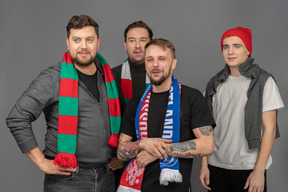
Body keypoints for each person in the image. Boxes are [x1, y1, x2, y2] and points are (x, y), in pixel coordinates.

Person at [6, 15, 123, 192]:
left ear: (98, 43)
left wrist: (120, 156)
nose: (83, 46)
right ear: (68, 43)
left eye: (89, 39)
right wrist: (41, 162)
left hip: (106, 177)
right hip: (67, 180)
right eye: (77, 40)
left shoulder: (108, 78)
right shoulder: (53, 78)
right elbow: (17, 117)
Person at [116, 38, 215, 192]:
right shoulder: (135, 103)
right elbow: (121, 152)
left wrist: (158, 151)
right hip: (138, 187)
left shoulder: (191, 97)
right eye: (150, 59)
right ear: (145, 64)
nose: (155, 64)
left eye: (161, 59)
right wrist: (143, 144)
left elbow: (207, 145)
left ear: (173, 63)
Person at [199, 27, 284, 192]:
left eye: (237, 46)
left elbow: (270, 129)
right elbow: (205, 128)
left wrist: (259, 171)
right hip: (216, 165)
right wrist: (204, 165)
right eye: (226, 46)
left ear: (248, 50)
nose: (230, 51)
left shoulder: (264, 81)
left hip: (249, 165)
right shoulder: (214, 83)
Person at [112, 21, 153, 113]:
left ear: (150, 44)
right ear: (125, 45)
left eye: (142, 40)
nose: (137, 46)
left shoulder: (160, 75)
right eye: (132, 40)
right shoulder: (111, 76)